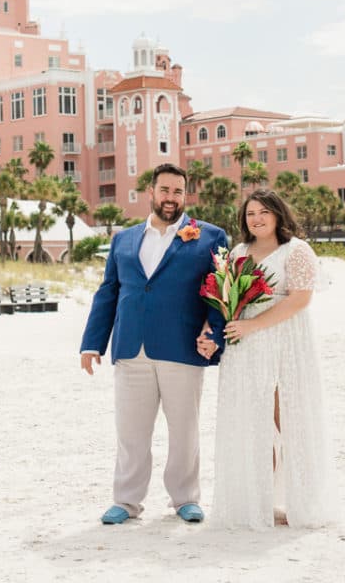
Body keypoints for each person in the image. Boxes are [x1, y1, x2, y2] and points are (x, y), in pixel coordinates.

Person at [80, 162, 227, 525]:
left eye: (178, 191)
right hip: (131, 348)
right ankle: (126, 502)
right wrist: (92, 343)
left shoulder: (210, 237)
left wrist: (213, 333)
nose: (171, 198)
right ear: (151, 191)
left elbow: (219, 293)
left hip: (183, 347)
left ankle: (185, 499)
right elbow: (109, 292)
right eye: (165, 190)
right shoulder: (124, 239)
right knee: (131, 432)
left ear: (185, 194)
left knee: (184, 431)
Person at [199, 187, 339, 530]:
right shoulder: (238, 252)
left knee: (287, 418)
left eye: (263, 212)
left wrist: (253, 326)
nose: (257, 219)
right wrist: (209, 331)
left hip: (284, 339)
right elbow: (222, 299)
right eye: (250, 214)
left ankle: (299, 500)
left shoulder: (297, 250)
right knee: (250, 421)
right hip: (244, 347)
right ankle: (257, 502)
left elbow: (300, 300)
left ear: (278, 214)